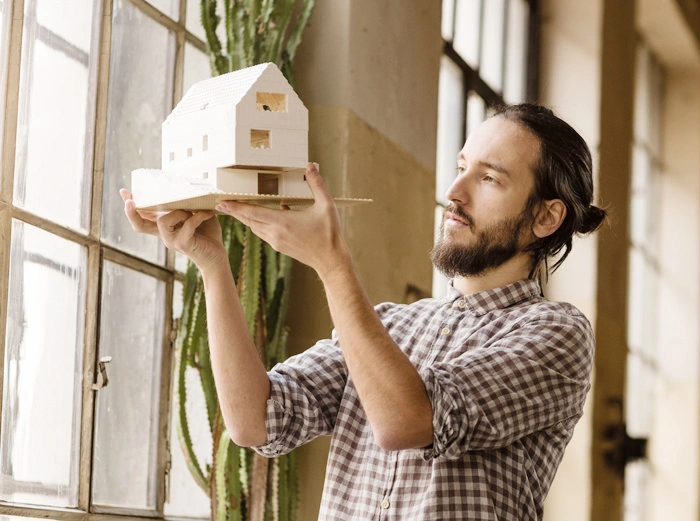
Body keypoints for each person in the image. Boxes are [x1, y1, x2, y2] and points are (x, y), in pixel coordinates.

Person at [122, 103, 606, 520]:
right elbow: (256, 420)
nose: (454, 192)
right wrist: (212, 264)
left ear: (546, 217)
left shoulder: (557, 334)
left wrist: (333, 265)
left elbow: (408, 421)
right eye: (461, 166)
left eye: (489, 178)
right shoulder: (391, 324)